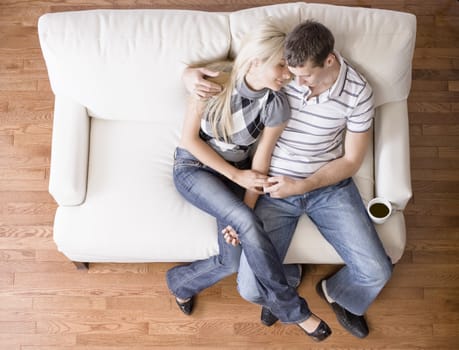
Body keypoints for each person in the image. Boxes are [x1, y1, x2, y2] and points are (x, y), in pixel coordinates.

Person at [187, 20, 393, 339]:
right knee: (249, 289)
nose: (293, 80)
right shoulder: (283, 74)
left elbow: (351, 160)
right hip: (272, 186)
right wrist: (187, 74)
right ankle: (287, 280)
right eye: (289, 71)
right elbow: (241, 69)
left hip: (328, 186)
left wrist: (304, 186)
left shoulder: (358, 93)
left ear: (329, 60)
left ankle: (340, 296)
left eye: (304, 75)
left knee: (378, 271)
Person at [166, 20, 331, 342]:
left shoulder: (277, 104)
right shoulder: (214, 81)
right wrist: (236, 180)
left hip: (238, 176)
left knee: (232, 259)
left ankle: (180, 283)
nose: (289, 75)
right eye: (282, 66)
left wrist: (245, 205)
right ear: (257, 61)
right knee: (243, 223)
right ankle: (292, 309)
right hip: (194, 167)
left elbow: (261, 160)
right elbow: (189, 140)